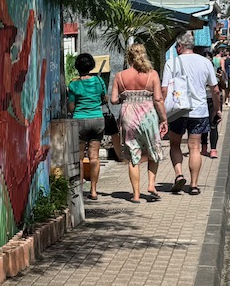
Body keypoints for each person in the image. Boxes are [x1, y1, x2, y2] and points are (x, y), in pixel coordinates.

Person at [163, 33, 221, 195]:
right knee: (194, 148)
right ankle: (194, 185)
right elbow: (215, 90)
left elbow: (164, 89)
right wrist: (217, 109)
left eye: (176, 47)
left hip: (177, 111)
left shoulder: (171, 63)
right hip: (199, 110)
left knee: (175, 144)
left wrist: (162, 112)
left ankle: (179, 174)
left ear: (180, 47)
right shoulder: (205, 62)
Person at [110, 43, 167, 203]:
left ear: (129, 56)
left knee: (134, 155)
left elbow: (114, 100)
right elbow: (158, 99)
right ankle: (151, 185)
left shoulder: (120, 76)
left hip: (128, 116)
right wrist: (164, 118)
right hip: (148, 115)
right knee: (153, 149)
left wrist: (126, 97)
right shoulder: (152, 74)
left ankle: (135, 195)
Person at [67, 52, 109, 200]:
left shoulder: (73, 84)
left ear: (77, 67)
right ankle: (93, 191)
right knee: (94, 157)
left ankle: (78, 188)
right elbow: (105, 99)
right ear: (92, 65)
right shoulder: (99, 81)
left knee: (78, 157)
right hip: (97, 120)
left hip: (79, 121)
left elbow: (71, 108)